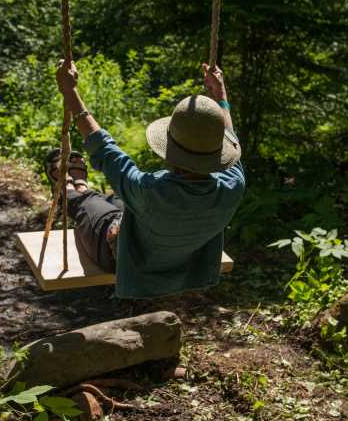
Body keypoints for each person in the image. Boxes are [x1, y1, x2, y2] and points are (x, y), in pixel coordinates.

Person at [46, 59, 245, 299]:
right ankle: (84, 189)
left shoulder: (150, 191)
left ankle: (72, 186)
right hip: (180, 262)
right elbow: (230, 134)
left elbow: (105, 149)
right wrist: (220, 94)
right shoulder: (233, 184)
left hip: (120, 257)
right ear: (219, 151)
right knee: (118, 198)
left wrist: (70, 91)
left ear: (170, 148)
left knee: (89, 204)